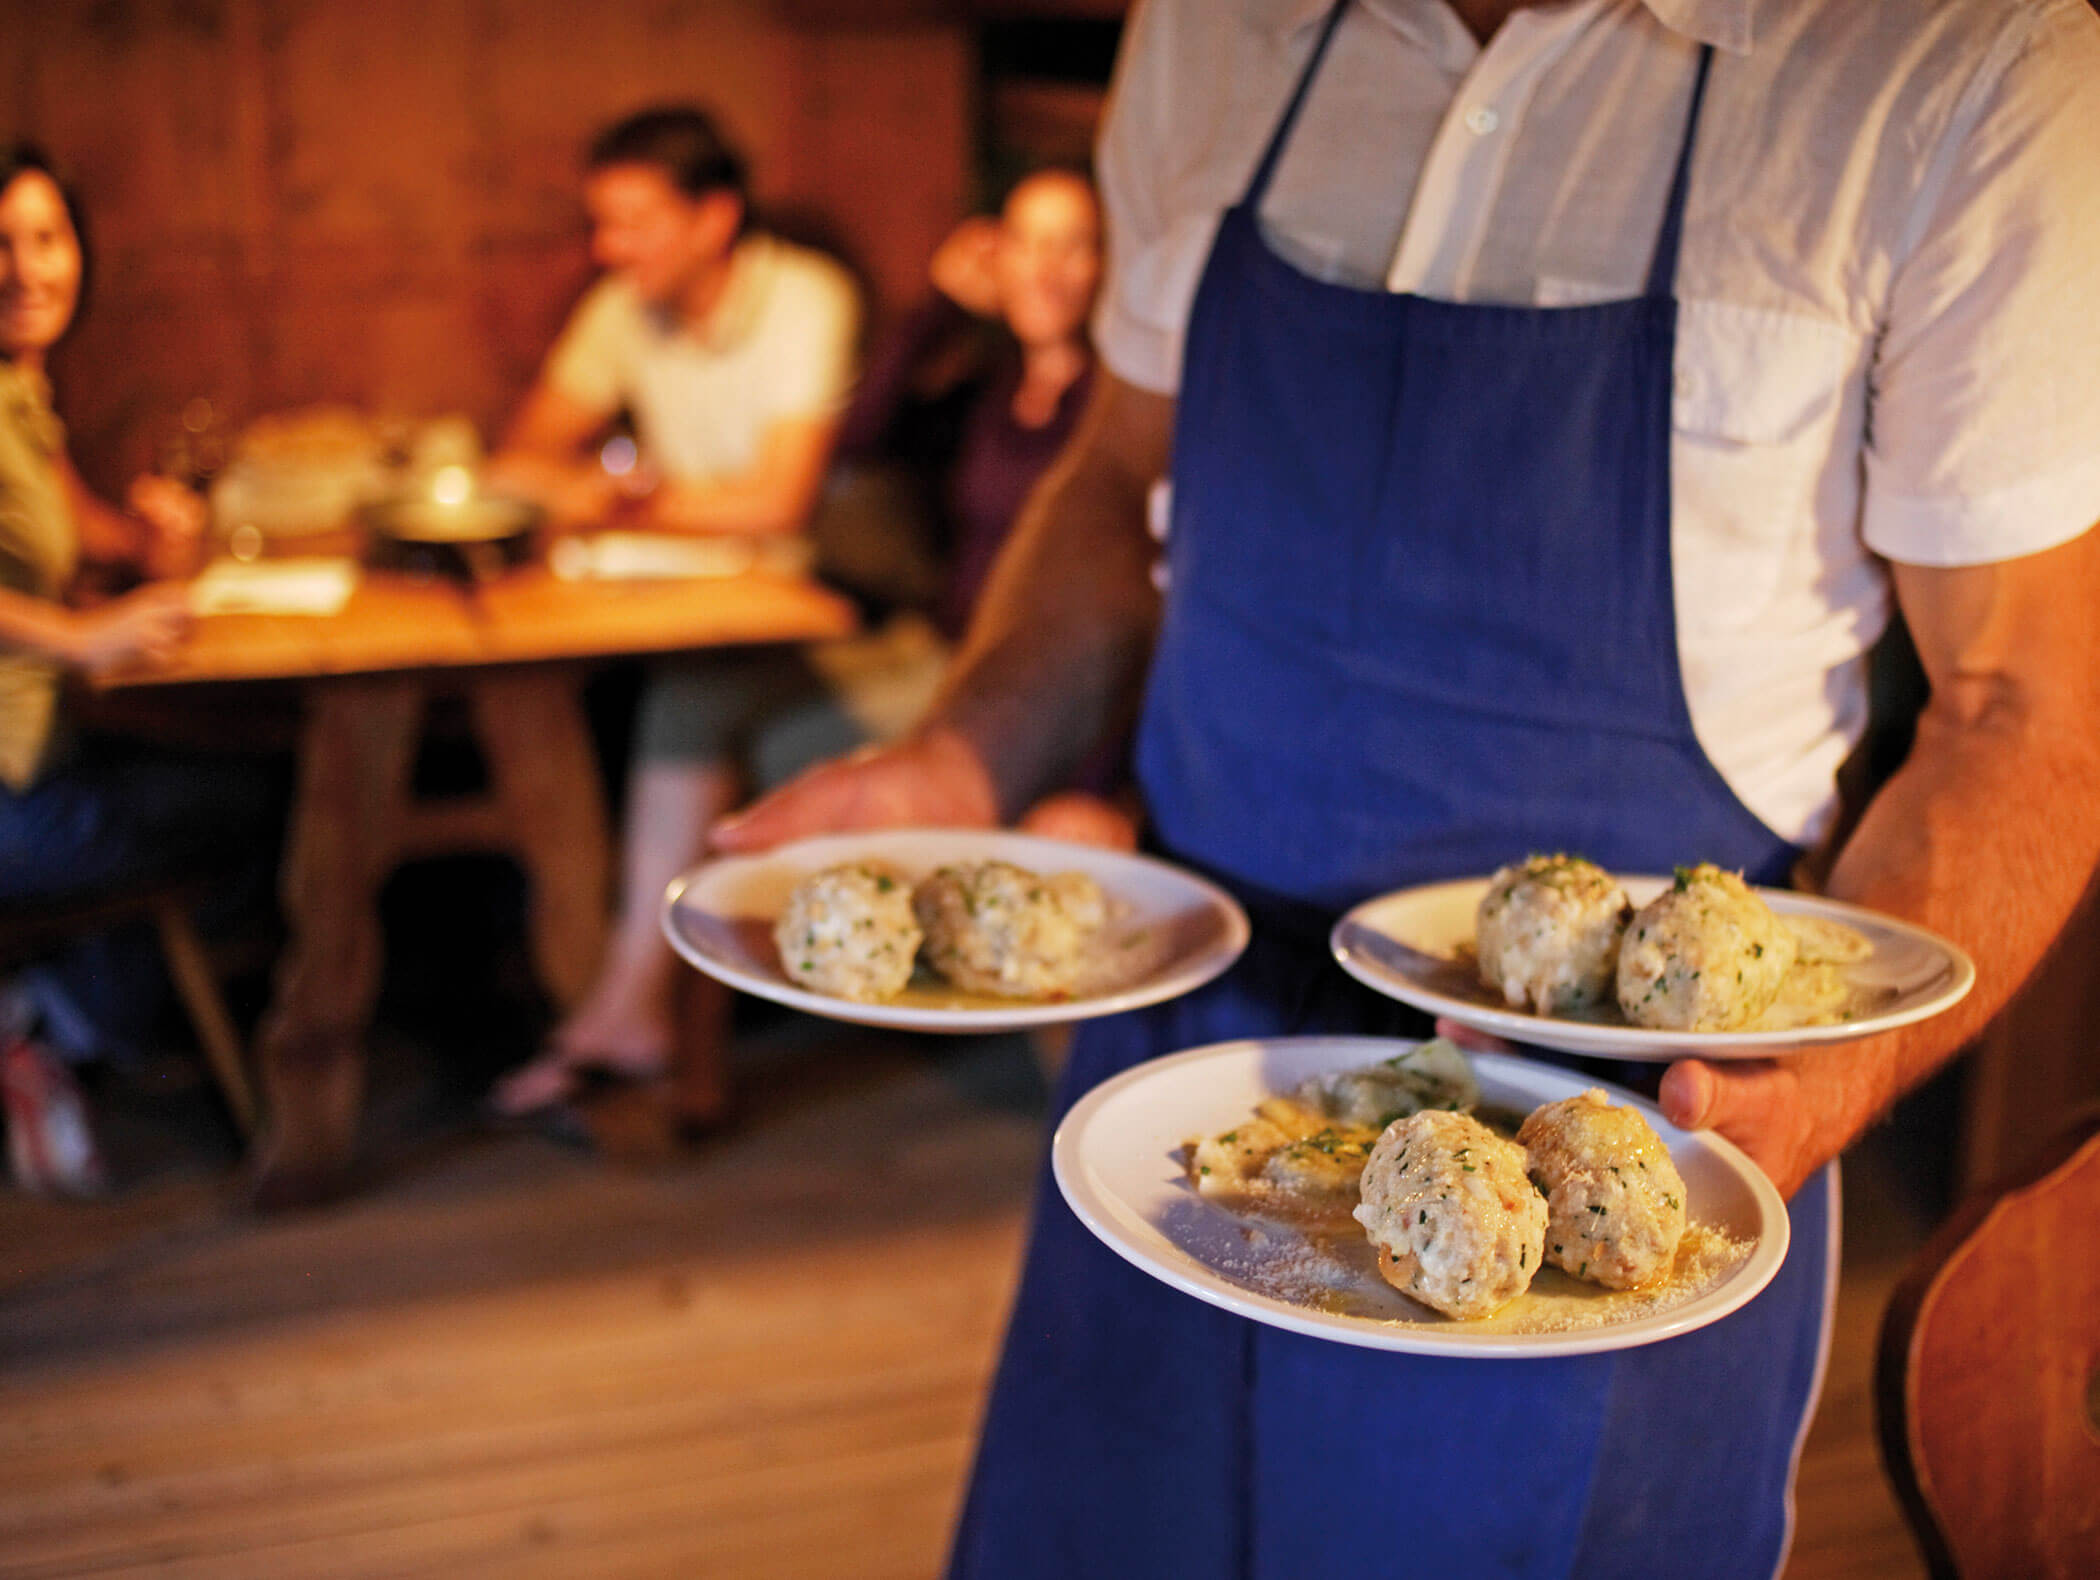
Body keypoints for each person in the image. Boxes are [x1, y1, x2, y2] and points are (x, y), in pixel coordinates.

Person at [712, 0, 2100, 1574]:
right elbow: (1111, 481)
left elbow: (2025, 706)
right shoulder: (1211, 25)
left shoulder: (1962, 58)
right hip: (1176, 1089)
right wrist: (961, 752)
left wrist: (1834, 1081)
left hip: (1586, 1160)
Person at [485, 106, 861, 1121]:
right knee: (621, 702)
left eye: (634, 222)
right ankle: (627, 1014)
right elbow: (518, 463)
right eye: (602, 223)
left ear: (714, 218)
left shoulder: (805, 297)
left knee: (686, 703)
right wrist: (606, 491)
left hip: (822, 620)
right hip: (690, 615)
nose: (610, 247)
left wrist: (623, 498)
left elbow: (777, 503)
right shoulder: (623, 308)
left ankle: (625, 1009)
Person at [0, 143, 268, 1196]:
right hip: (10, 795)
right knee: (263, 801)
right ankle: (46, 1023)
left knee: (230, 779)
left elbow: (78, 529)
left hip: (44, 759)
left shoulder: (21, 389)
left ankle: (70, 1018)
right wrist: (76, 639)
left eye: (45, 238)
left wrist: (156, 537)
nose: (26, 269)